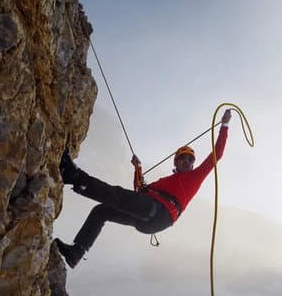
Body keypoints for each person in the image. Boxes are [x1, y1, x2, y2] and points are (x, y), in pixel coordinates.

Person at [54, 109, 232, 268]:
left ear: (193, 165)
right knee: (102, 211)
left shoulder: (195, 177)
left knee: (117, 195)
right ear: (176, 161)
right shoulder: (165, 182)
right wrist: (137, 169)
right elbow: (140, 192)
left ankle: (73, 175)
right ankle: (76, 253)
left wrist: (224, 125)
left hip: (160, 212)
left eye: (190, 160)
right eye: (183, 158)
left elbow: (217, 154)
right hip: (151, 218)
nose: (187, 161)